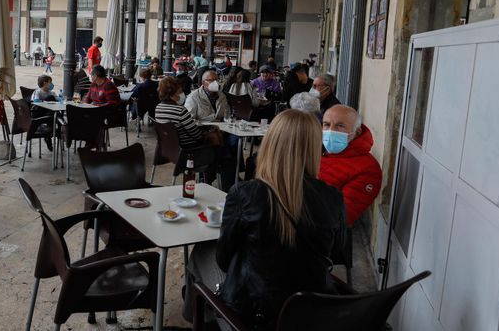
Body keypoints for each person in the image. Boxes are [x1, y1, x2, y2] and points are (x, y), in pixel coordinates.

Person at [184, 110, 345, 329]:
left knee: (201, 252)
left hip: (252, 316)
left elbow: (223, 259)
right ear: (315, 149)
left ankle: (198, 317)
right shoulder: (333, 196)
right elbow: (336, 252)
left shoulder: (245, 193)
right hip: (309, 312)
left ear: (270, 143)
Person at [320, 105, 382, 226]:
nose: (331, 130)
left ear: (357, 132)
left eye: (340, 126)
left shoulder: (368, 169)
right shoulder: (321, 152)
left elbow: (342, 215)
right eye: (326, 124)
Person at [154, 76, 205, 148]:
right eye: (180, 92)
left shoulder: (158, 107)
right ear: (171, 94)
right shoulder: (180, 111)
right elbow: (196, 135)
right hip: (186, 146)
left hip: (169, 145)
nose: (182, 94)